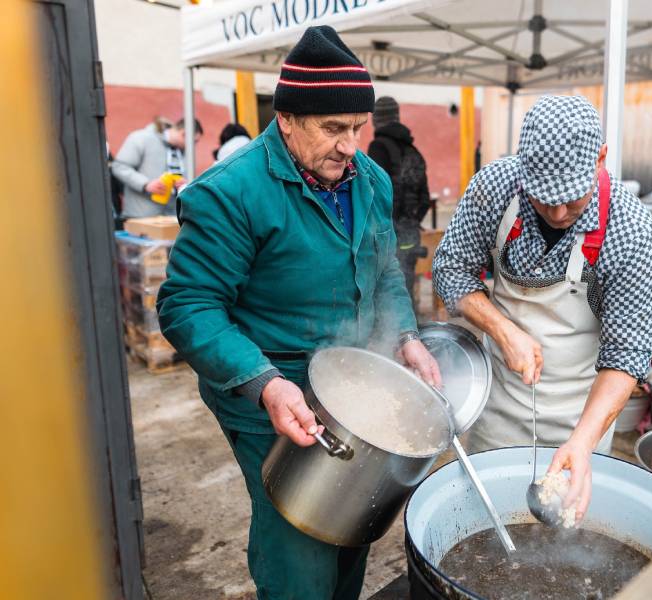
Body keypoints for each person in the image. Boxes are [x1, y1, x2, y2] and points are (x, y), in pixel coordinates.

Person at [156, 26, 440, 600]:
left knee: (353, 521)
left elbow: (385, 269)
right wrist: (265, 384)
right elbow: (187, 305)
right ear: (286, 119)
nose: (349, 146)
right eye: (332, 128)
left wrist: (406, 334)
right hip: (272, 387)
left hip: (352, 384)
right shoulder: (231, 192)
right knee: (300, 542)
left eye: (357, 127)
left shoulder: (371, 180)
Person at [433, 95, 652, 525]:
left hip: (582, 418)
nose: (557, 213)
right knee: (485, 526)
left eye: (571, 199)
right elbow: (451, 270)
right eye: (542, 198)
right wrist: (502, 329)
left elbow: (627, 356)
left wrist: (583, 443)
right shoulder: (495, 188)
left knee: (568, 535)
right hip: (497, 409)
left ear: (600, 158)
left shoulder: (632, 233)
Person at [366, 96, 431, 305]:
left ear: (376, 119)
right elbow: (425, 199)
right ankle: (410, 323)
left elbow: (373, 194)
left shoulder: (378, 147)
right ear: (397, 117)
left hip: (387, 235)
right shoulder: (413, 151)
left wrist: (386, 226)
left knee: (385, 291)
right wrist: (411, 221)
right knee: (405, 287)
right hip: (410, 234)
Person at [111, 117, 203, 218]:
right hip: (140, 217)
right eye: (194, 141)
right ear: (183, 134)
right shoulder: (141, 138)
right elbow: (119, 167)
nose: (194, 146)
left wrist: (184, 184)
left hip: (171, 217)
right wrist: (145, 184)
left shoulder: (186, 151)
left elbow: (188, 178)